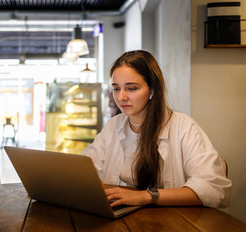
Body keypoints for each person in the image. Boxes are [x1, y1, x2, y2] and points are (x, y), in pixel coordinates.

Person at [82, 50, 231, 208]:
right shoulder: (113, 125)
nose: (121, 97)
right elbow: (86, 166)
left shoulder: (184, 127)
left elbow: (214, 188)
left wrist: (146, 197)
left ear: (152, 89)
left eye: (131, 88)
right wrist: (87, 179)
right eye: (116, 88)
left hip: (176, 219)